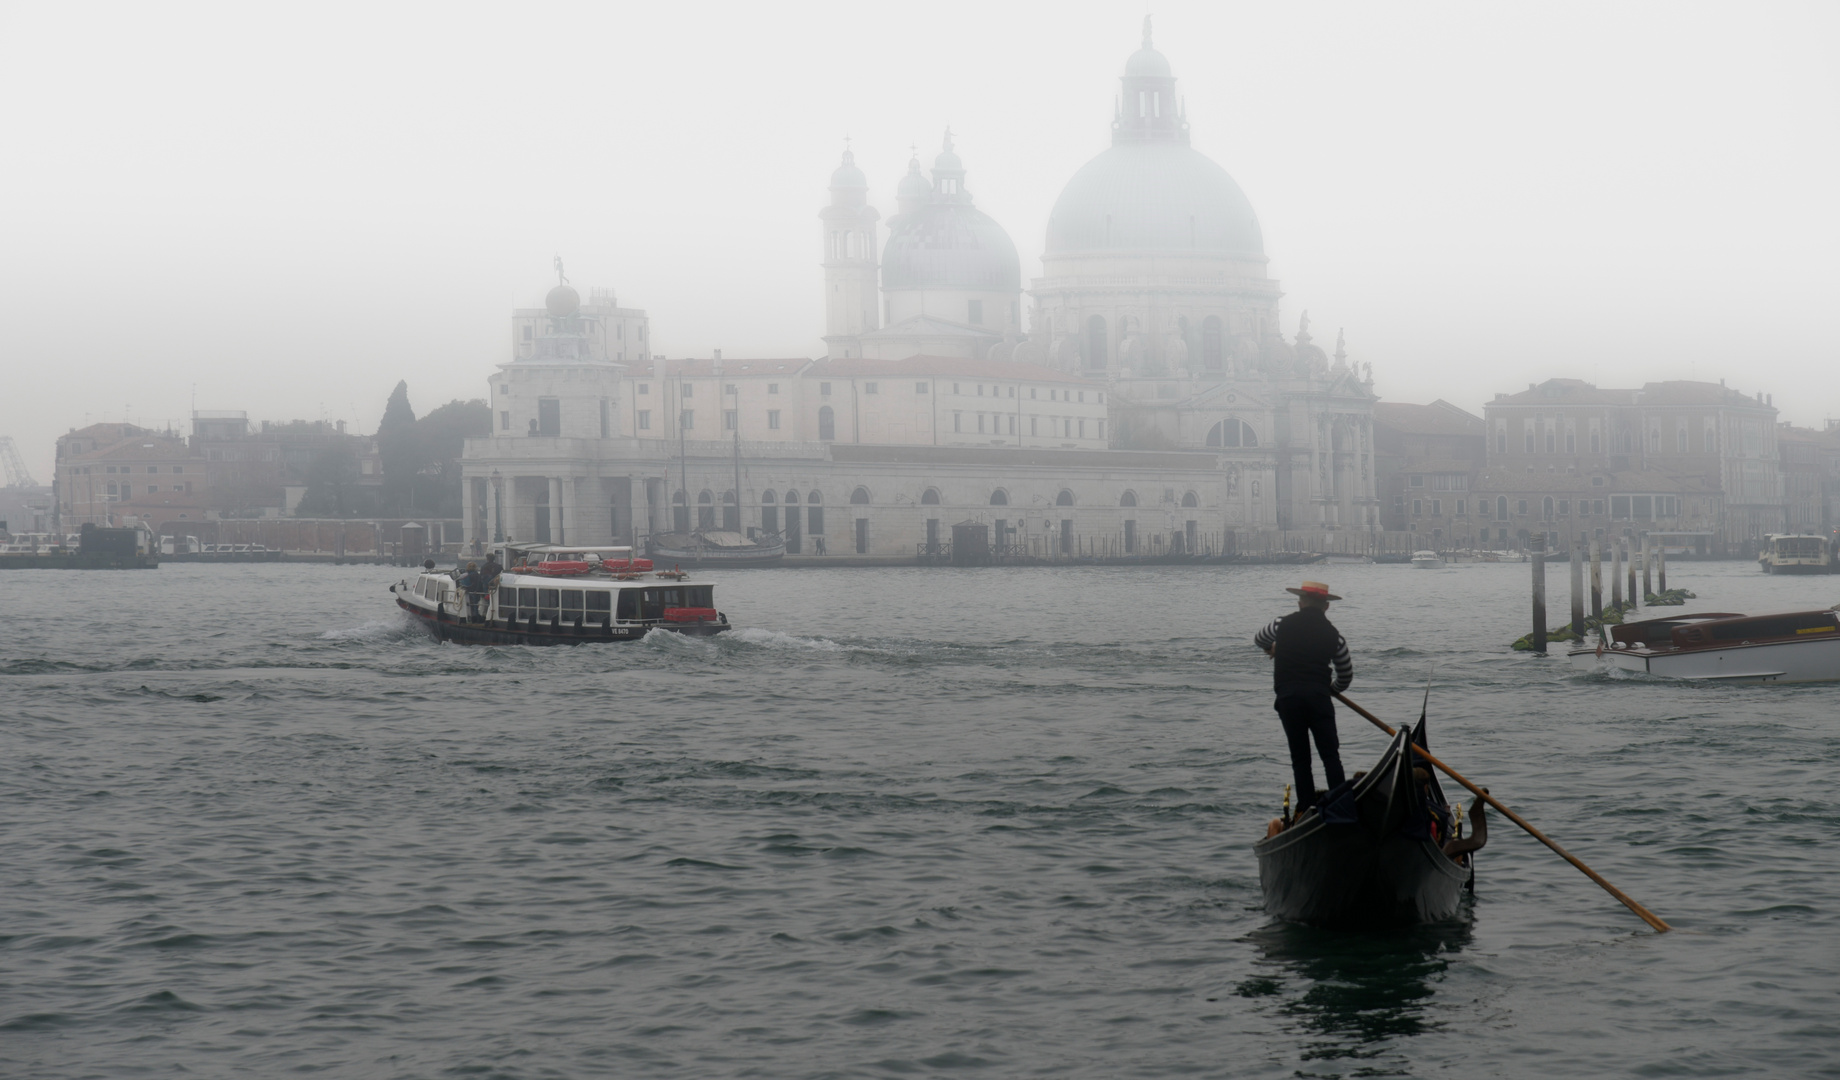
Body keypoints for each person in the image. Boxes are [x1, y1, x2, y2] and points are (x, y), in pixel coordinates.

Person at [1253, 580, 1354, 813]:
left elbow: (1259, 639)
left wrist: (1275, 647)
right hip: (1319, 697)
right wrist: (1333, 689)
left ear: (1301, 603)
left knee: (1300, 758)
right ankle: (1341, 807)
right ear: (1325, 606)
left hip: (1288, 698)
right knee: (1330, 755)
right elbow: (1346, 674)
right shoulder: (1334, 636)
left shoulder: (1281, 624)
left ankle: (1306, 806)